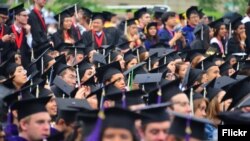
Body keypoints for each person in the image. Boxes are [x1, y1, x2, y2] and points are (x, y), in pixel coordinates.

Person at [8, 3, 33, 69]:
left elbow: (31, 47)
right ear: (17, 16)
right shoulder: (8, 30)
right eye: (24, 16)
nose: (27, 17)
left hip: (26, 64)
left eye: (27, 16)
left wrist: (28, 34)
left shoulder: (27, 30)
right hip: (13, 65)